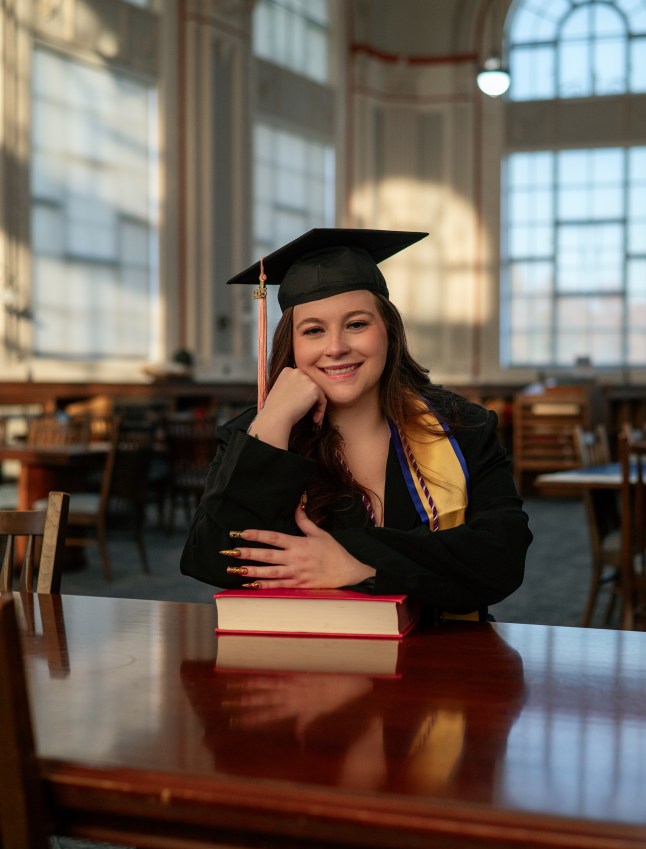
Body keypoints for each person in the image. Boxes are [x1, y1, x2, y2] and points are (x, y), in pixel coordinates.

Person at [181, 227, 532, 621]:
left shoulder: (459, 427)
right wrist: (275, 421)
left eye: (357, 324)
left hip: (442, 659)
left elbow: (502, 557)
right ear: (291, 345)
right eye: (313, 330)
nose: (336, 347)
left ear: (389, 331)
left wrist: (357, 561)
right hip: (309, 666)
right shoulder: (256, 433)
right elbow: (215, 560)